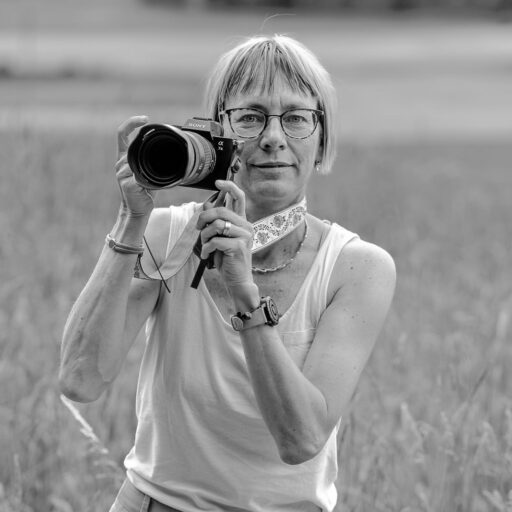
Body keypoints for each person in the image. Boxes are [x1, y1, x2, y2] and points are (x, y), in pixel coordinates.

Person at [59, 35, 396, 512]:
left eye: (297, 118)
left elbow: (301, 439)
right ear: (219, 132)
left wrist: (245, 295)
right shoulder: (168, 236)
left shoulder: (356, 267)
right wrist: (131, 220)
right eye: (252, 116)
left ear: (321, 137)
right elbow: (80, 380)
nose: (273, 137)